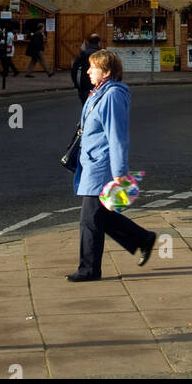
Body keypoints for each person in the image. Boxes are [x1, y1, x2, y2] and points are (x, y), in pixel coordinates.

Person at [67, 49, 156, 282]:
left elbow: (117, 137)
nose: (87, 71)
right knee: (100, 217)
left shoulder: (112, 96)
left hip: (102, 166)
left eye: (92, 67)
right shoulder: (98, 93)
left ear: (106, 72)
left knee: (90, 220)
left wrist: (119, 175)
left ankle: (89, 269)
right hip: (92, 163)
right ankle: (142, 239)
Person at [71, 34, 101, 102]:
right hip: (98, 88)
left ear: (88, 43)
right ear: (99, 43)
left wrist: (77, 85)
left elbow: (74, 70)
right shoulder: (102, 55)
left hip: (84, 87)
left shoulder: (83, 54)